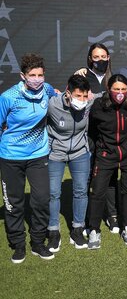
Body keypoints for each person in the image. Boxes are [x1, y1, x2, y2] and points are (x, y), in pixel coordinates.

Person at [0, 53, 57, 263]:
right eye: (32, 74)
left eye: (40, 74)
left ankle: (38, 242)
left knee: (41, 199)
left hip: (38, 155)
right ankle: (18, 245)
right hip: (10, 156)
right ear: (23, 75)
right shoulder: (8, 97)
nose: (37, 79)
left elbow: (61, 98)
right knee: (13, 203)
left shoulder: (47, 89)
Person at [87, 74, 127, 249]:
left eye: (123, 89)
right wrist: (100, 149)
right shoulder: (99, 105)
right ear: (109, 90)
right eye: (116, 89)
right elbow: (92, 131)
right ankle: (94, 229)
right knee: (98, 192)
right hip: (105, 155)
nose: (119, 92)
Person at [77, 43, 120, 233]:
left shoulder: (114, 79)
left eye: (104, 56)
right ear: (89, 59)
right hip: (87, 136)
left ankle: (112, 216)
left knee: (110, 177)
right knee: (87, 178)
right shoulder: (82, 76)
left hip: (109, 137)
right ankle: (88, 218)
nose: (100, 60)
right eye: (96, 57)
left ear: (109, 58)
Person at [46, 75, 92, 252]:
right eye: (77, 95)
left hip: (80, 152)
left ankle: (78, 229)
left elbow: (109, 94)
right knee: (53, 193)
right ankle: (53, 231)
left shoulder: (89, 102)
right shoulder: (53, 104)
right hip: (55, 153)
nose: (81, 100)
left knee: (81, 191)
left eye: (84, 96)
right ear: (68, 93)